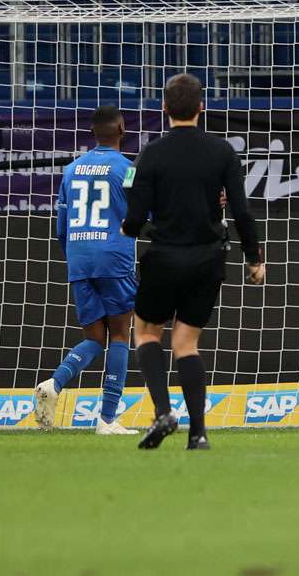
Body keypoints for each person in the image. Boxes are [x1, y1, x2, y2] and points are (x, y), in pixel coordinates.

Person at [122, 74, 264, 450]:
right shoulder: (222, 152)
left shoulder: (150, 153)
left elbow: (135, 217)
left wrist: (134, 228)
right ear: (202, 107)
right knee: (187, 342)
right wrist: (254, 257)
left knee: (148, 331)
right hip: (208, 258)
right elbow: (241, 210)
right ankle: (198, 433)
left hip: (165, 256)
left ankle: (164, 412)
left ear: (164, 108)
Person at [33, 106, 138, 435]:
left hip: (79, 258)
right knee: (120, 334)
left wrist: (77, 257)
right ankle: (107, 418)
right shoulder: (128, 169)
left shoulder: (70, 170)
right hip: (114, 257)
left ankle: (54, 382)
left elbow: (60, 229)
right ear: (122, 128)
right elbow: (141, 213)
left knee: (94, 338)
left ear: (94, 132)